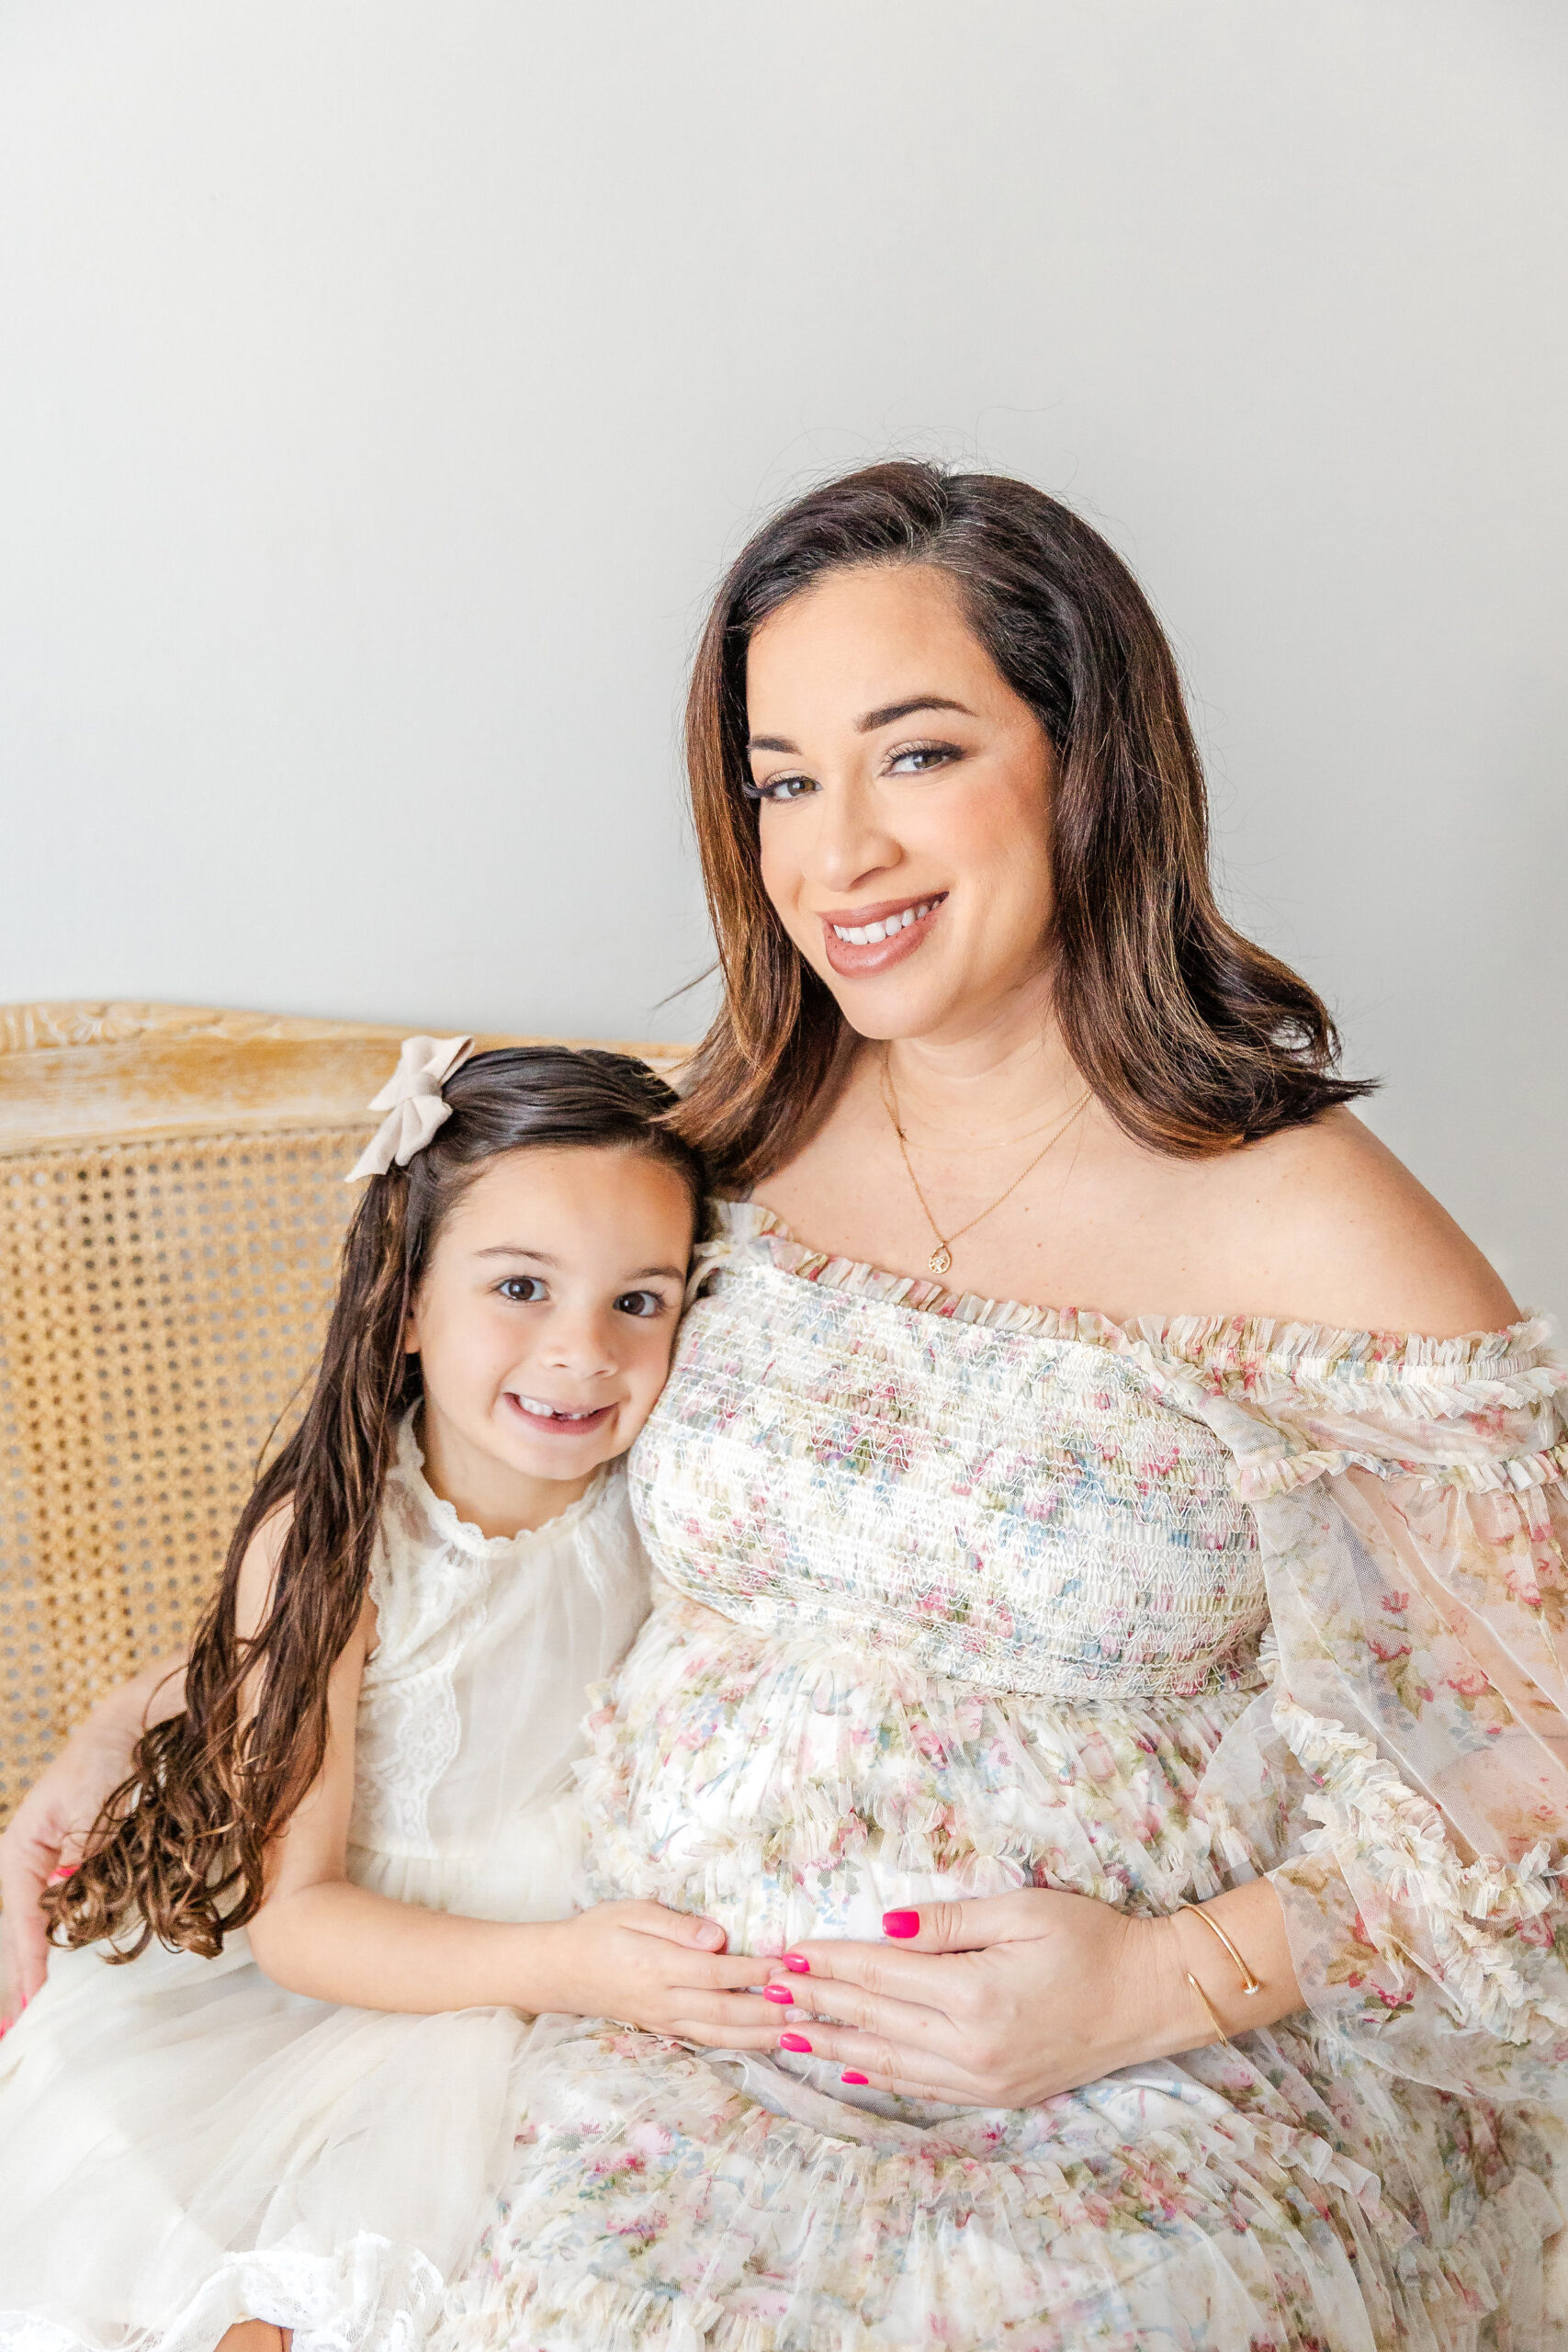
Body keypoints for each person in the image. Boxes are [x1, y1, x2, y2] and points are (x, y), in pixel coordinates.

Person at [6, 462, 1566, 2348]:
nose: (834, 855)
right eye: (779, 778)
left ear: (1085, 765)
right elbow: (458, 1512)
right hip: (638, 2022)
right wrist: (145, 1722)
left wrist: (1157, 1983)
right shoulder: (714, 1143)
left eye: (912, 754)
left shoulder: (1316, 1230)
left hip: (1119, 2092)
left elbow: (1527, 1778)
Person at [0, 1044, 785, 2352]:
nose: (582, 1353)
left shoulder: (673, 1497)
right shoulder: (340, 1546)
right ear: (407, 1301)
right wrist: (566, 1970)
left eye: (639, 1301)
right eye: (522, 1287)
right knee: (301, 2291)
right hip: (361, 1990)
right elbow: (298, 1921)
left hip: (594, 1965)